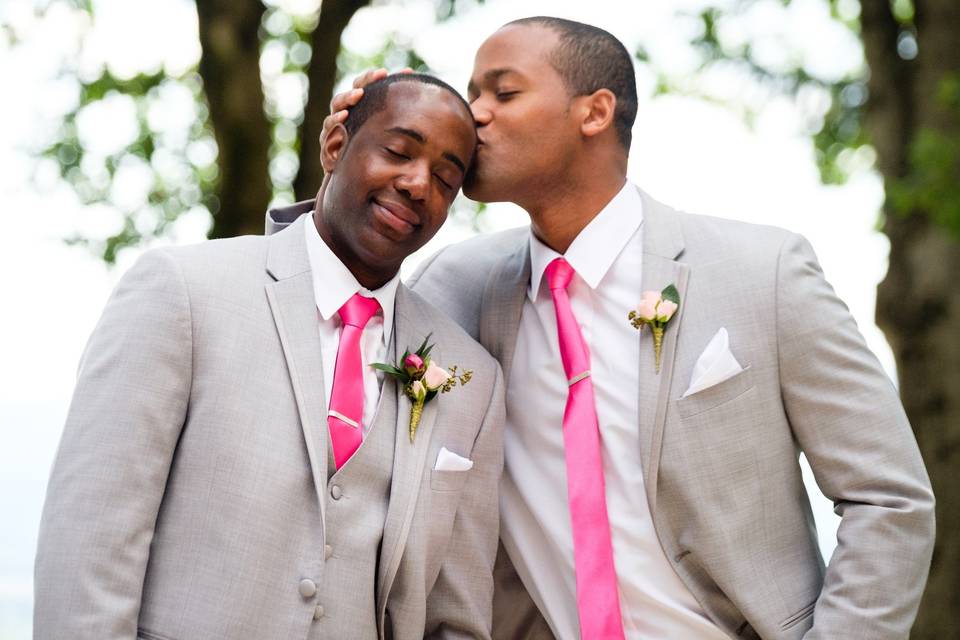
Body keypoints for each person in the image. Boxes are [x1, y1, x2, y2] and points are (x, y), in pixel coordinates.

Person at [274, 16, 937, 640]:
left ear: (594, 111)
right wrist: (345, 162)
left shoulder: (762, 272)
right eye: (472, 92)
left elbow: (888, 499)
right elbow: (317, 344)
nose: (473, 113)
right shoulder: (455, 288)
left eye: (503, 92)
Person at [35, 74, 506, 640]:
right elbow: (91, 542)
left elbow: (457, 617)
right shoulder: (183, 291)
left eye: (446, 178)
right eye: (398, 152)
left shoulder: (469, 378)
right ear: (335, 146)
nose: (416, 183)